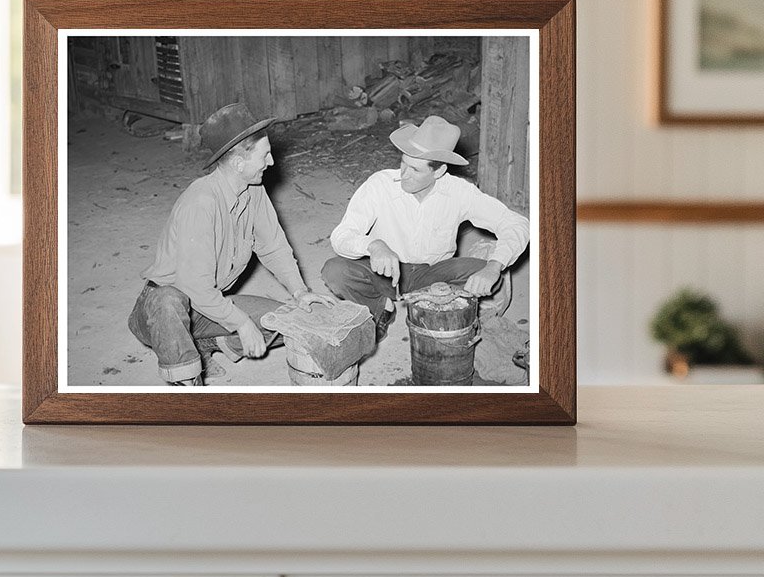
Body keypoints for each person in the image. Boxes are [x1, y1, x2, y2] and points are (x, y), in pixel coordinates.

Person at [129, 102, 332, 386]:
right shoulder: (201, 202)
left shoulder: (254, 191)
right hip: (160, 312)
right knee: (169, 300)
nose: (272, 162)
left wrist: (299, 292)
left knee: (286, 321)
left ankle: (205, 345)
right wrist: (241, 323)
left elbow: (273, 246)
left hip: (206, 307)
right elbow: (194, 287)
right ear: (238, 163)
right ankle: (186, 379)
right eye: (265, 155)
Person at [321, 115, 529, 341]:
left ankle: (433, 308)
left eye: (415, 170)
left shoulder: (459, 192)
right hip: (385, 273)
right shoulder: (380, 185)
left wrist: (493, 267)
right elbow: (341, 235)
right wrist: (374, 245)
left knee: (490, 274)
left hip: (433, 275)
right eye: (403, 164)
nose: (404, 175)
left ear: (438, 172)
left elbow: (517, 223)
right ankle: (381, 309)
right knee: (335, 271)